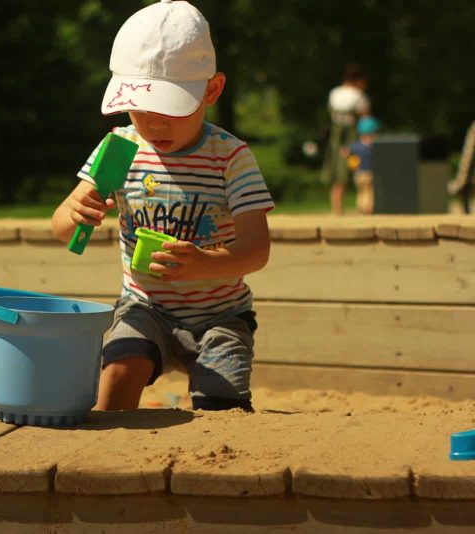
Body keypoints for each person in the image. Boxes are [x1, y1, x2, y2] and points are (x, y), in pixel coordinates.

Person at [51, 0, 274, 413]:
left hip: (220, 314)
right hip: (144, 307)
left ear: (212, 90)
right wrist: (74, 213)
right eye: (139, 108)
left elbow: (257, 249)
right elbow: (63, 229)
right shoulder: (120, 148)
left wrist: (205, 263)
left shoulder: (229, 157)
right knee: (115, 381)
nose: (153, 124)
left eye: (169, 109)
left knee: (219, 403)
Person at [322, 64, 371, 215]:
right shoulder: (358, 96)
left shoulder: (334, 93)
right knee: (363, 171)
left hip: (335, 140)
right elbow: (365, 122)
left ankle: (337, 209)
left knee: (337, 173)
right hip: (353, 139)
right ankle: (365, 208)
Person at [342, 116, 381, 215]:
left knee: (360, 192)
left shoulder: (355, 145)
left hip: (358, 173)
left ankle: (361, 208)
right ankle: (369, 209)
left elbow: (345, 152)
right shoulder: (374, 146)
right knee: (369, 192)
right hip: (369, 173)